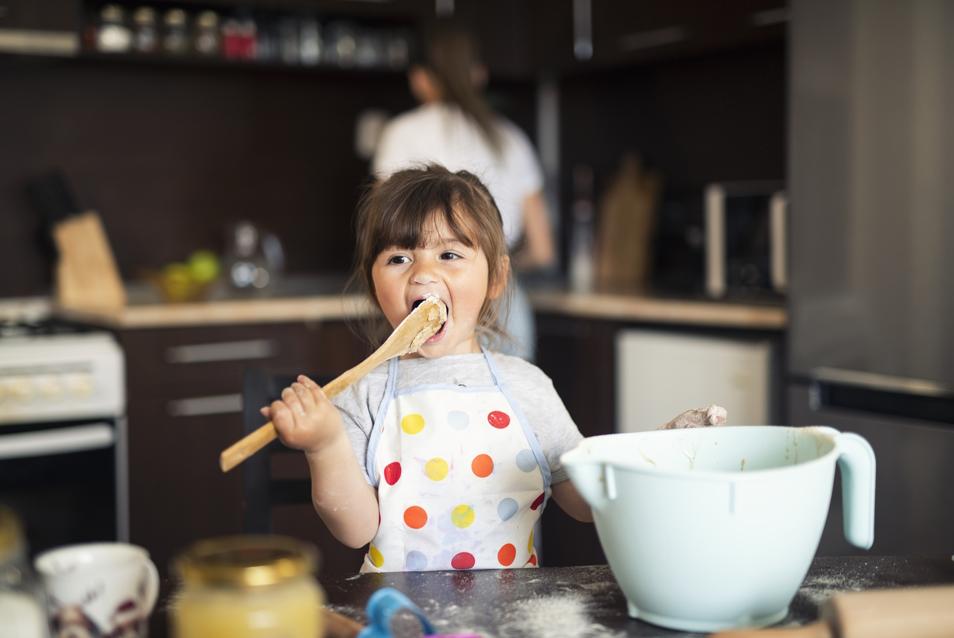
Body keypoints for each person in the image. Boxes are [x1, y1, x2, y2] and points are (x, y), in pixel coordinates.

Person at [264, 166, 725, 573]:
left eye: (449, 255)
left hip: (510, 616)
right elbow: (355, 527)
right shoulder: (362, 394)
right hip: (400, 615)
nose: (422, 274)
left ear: (496, 278)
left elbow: (585, 503)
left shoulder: (527, 387)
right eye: (399, 258)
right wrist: (323, 446)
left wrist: (657, 452)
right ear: (373, 283)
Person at [371, 20, 554, 360]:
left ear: (420, 79)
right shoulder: (511, 139)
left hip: (426, 302)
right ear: (480, 74)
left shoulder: (401, 133)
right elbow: (542, 250)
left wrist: (406, 261)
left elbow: (382, 230)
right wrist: (483, 266)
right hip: (508, 310)